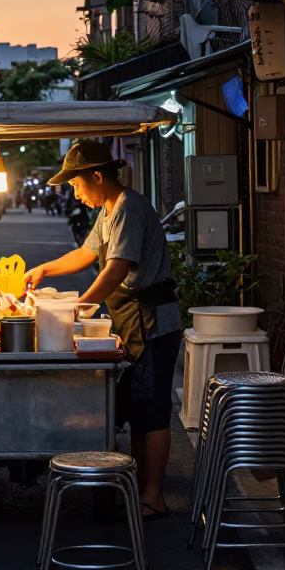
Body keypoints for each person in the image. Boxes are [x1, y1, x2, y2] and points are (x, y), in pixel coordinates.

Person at [23, 140, 182, 520]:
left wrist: (81, 305)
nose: (75, 193)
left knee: (153, 412)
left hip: (153, 321)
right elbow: (86, 254)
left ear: (97, 176)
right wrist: (44, 268)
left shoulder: (129, 208)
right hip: (131, 319)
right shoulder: (109, 211)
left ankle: (154, 496)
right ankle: (142, 487)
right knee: (137, 408)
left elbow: (116, 269)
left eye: (77, 185)